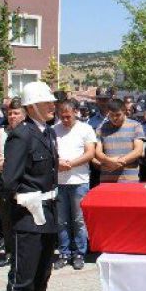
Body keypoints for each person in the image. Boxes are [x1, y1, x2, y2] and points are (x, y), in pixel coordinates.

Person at [2, 81, 60, 291]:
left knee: (42, 271)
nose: (53, 105)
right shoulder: (21, 134)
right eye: (47, 102)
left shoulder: (48, 132)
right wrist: (23, 198)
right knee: (23, 273)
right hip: (27, 213)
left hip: (48, 211)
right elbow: (9, 180)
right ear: (33, 106)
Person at [52, 100, 97, 271]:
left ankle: (79, 253)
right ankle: (64, 253)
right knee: (61, 220)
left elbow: (90, 153)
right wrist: (58, 163)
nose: (65, 120)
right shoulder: (54, 130)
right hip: (59, 181)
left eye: (68, 116)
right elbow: (49, 152)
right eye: (62, 117)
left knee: (79, 220)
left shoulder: (85, 129)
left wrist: (70, 164)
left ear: (75, 112)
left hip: (79, 180)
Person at [0, 98, 27, 268]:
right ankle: (10, 253)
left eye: (16, 113)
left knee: (23, 220)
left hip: (22, 183)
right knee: (6, 220)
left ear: (24, 115)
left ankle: (23, 255)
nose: (12, 116)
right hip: (4, 182)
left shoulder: (28, 132)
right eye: (10, 113)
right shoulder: (0, 132)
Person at [95, 99, 146, 184]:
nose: (114, 118)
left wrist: (118, 162)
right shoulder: (101, 128)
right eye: (111, 115)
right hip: (107, 179)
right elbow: (97, 152)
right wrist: (109, 161)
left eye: (118, 115)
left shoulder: (136, 126)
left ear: (124, 111)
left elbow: (138, 151)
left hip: (130, 179)